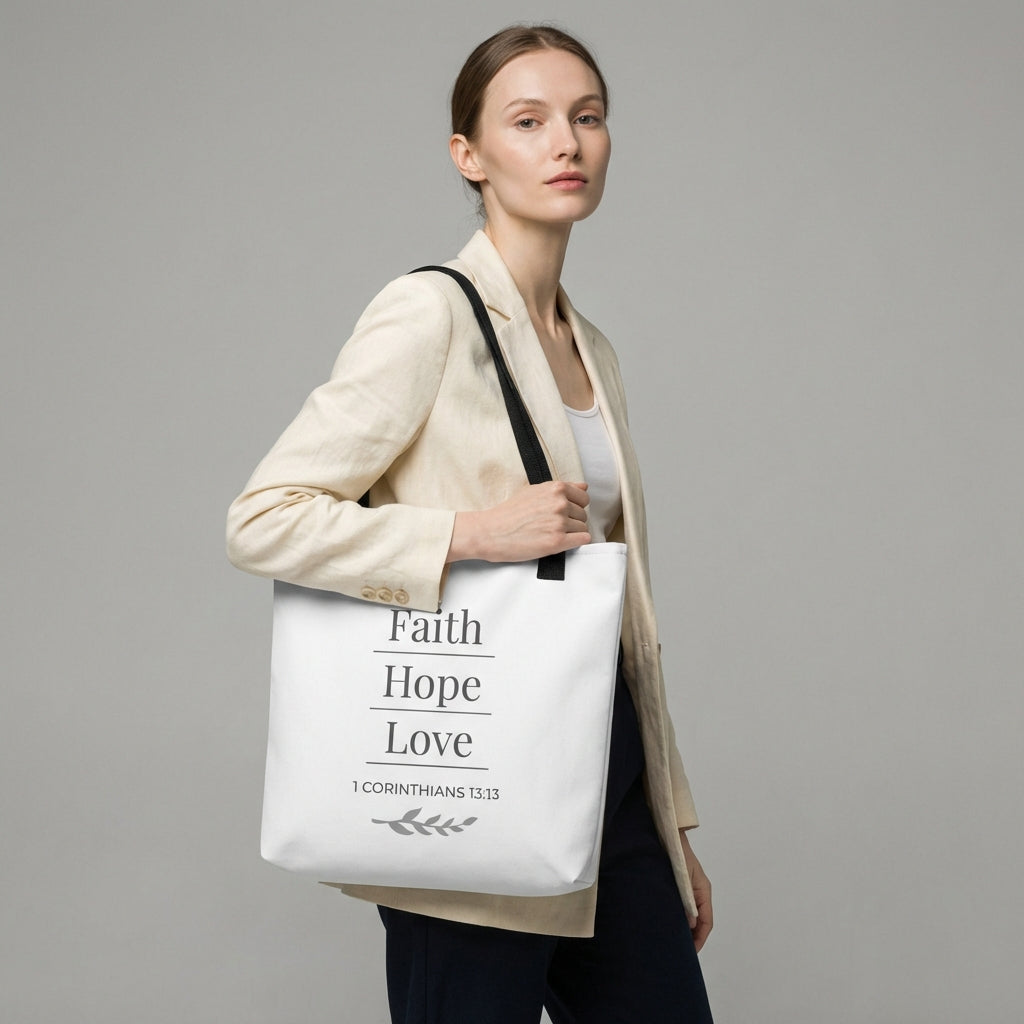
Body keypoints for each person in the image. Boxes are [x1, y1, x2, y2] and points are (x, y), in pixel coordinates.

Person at [227, 24, 714, 1024]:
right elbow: (263, 519)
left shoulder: (595, 350)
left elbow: (618, 617)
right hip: (472, 784)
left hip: (607, 779)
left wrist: (669, 825)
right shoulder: (430, 315)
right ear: (469, 156)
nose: (565, 144)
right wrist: (470, 535)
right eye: (527, 121)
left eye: (586, 118)